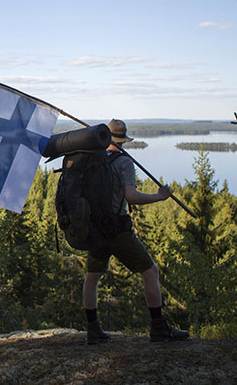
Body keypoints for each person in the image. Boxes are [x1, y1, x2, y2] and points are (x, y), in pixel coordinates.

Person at [83, 119, 190, 344]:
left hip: (95, 230)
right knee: (150, 272)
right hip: (117, 230)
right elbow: (131, 197)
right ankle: (158, 327)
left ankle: (93, 330)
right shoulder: (124, 162)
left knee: (92, 278)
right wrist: (159, 197)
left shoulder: (94, 158)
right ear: (122, 140)